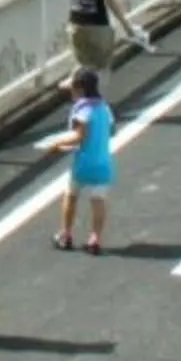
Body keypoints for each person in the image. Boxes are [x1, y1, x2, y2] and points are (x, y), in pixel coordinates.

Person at [50, 67, 115, 253]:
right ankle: (95, 239)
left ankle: (66, 234)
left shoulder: (83, 110)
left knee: (71, 196)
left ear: (80, 89)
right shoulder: (105, 108)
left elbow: (79, 136)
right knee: (98, 200)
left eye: (72, 88)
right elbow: (111, 130)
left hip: (83, 164)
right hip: (103, 164)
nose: (70, 92)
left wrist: (57, 144)